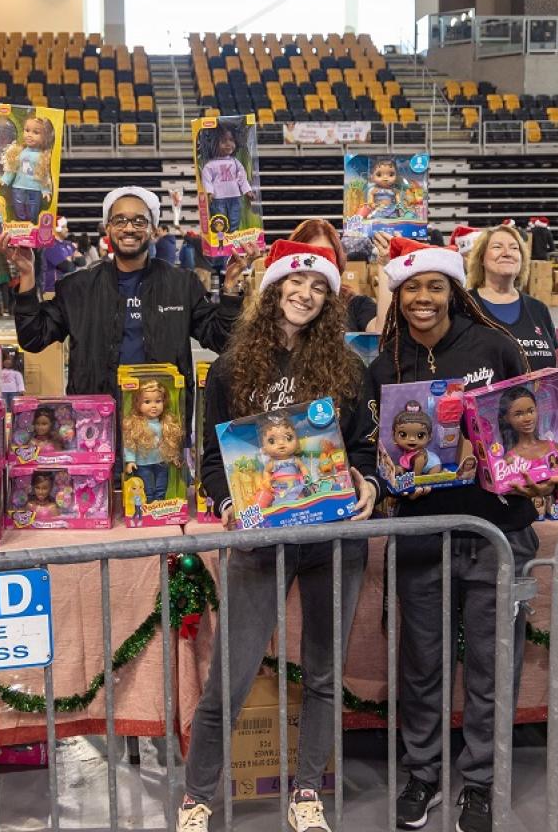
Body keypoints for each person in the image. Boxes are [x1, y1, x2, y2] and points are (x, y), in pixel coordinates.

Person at [176, 240, 378, 832]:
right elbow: (213, 458)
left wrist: (365, 483)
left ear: (331, 299)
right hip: (260, 541)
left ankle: (307, 790)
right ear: (271, 290)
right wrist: (224, 503)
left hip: (333, 540)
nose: (305, 294)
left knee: (322, 674)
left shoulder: (347, 368)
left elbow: (364, 446)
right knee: (231, 678)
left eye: (319, 287)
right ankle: (196, 796)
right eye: (296, 283)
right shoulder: (233, 368)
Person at [370, 237, 557, 832]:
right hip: (423, 532)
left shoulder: (494, 346)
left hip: (498, 529)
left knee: (491, 661)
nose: (423, 298)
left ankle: (479, 780)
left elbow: (532, 417)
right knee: (422, 662)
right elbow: (373, 453)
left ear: (453, 289)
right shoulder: (384, 366)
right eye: (411, 288)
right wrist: (390, 478)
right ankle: (422, 774)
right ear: (396, 296)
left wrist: (536, 472)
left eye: (435, 286)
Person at [10, 187, 249, 402]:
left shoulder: (181, 285)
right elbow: (33, 337)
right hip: (96, 427)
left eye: (139, 221)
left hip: (163, 424)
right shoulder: (78, 287)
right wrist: (28, 275)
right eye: (120, 220)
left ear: (153, 229)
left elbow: (222, 340)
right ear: (109, 227)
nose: (129, 228)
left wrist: (230, 288)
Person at [466, 223, 558, 371]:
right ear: (481, 258)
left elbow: (555, 362)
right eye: (497, 247)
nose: (507, 253)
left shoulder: (538, 309)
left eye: (514, 248)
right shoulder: (464, 306)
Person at [288, 218, 379, 332]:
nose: (316, 264)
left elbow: (380, 334)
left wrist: (386, 265)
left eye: (326, 257)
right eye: (309, 255)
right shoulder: (277, 307)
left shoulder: (355, 305)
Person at [41, 218, 78, 296]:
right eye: (64, 227)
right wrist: (73, 260)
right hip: (52, 290)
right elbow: (68, 267)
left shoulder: (67, 244)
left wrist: (70, 260)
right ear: (57, 228)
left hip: (67, 289)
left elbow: (82, 262)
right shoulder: (50, 245)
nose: (67, 229)